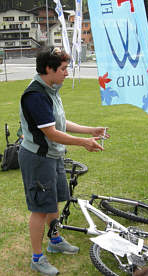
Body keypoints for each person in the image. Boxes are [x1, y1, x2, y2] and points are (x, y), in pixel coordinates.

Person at [18, 46, 109, 275]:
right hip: (38, 159)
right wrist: (83, 143)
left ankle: (55, 240)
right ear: (48, 69)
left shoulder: (51, 88)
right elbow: (51, 133)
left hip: (54, 155)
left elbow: (60, 123)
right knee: (40, 208)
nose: (67, 73)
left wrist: (90, 130)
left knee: (54, 200)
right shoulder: (35, 95)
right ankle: (37, 258)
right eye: (64, 69)